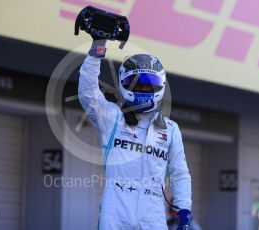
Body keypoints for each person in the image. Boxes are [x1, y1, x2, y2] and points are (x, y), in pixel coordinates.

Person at [78, 38, 192, 230]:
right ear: (125, 84)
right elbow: (87, 92)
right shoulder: (111, 118)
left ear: (160, 86)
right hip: (115, 210)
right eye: (137, 84)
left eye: (149, 85)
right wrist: (97, 48)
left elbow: (180, 174)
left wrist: (184, 213)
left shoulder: (171, 129)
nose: (144, 89)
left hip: (153, 213)